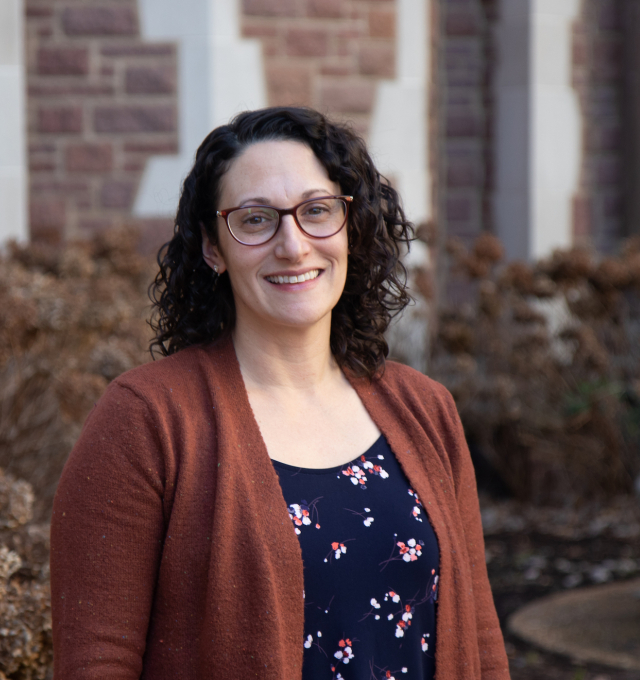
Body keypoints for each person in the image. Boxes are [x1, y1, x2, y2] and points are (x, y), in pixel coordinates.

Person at [50, 107, 510, 680]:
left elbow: (481, 641)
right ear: (214, 248)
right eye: (256, 219)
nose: (292, 246)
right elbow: (96, 662)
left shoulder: (426, 409)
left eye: (317, 211)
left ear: (352, 227)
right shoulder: (147, 420)